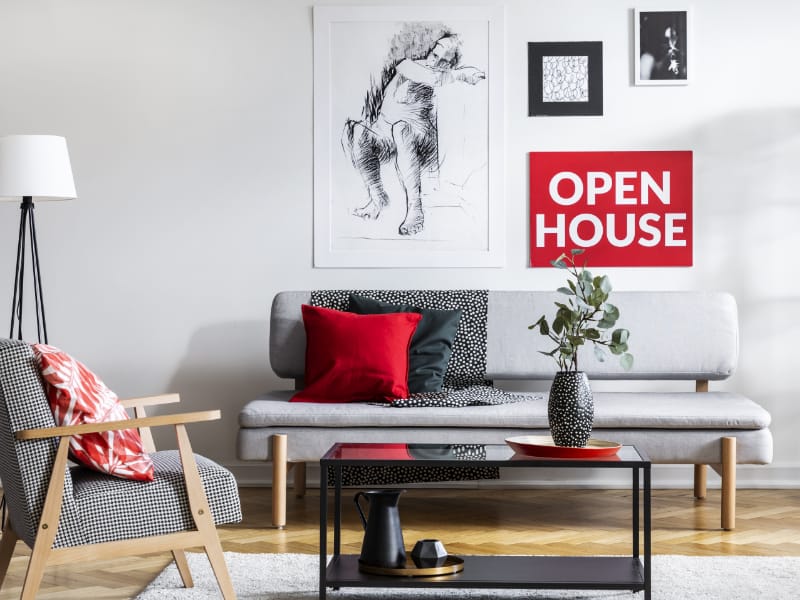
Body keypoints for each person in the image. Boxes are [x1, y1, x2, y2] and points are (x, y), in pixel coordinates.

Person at [342, 34, 485, 236]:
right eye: (436, 52)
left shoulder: (441, 79)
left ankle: (415, 210)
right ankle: (377, 197)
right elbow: (429, 76)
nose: (435, 59)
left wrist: (460, 76)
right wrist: (462, 74)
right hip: (384, 133)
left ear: (449, 63)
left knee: (401, 128)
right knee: (357, 131)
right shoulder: (409, 66)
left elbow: (436, 98)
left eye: (444, 59)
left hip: (415, 137)